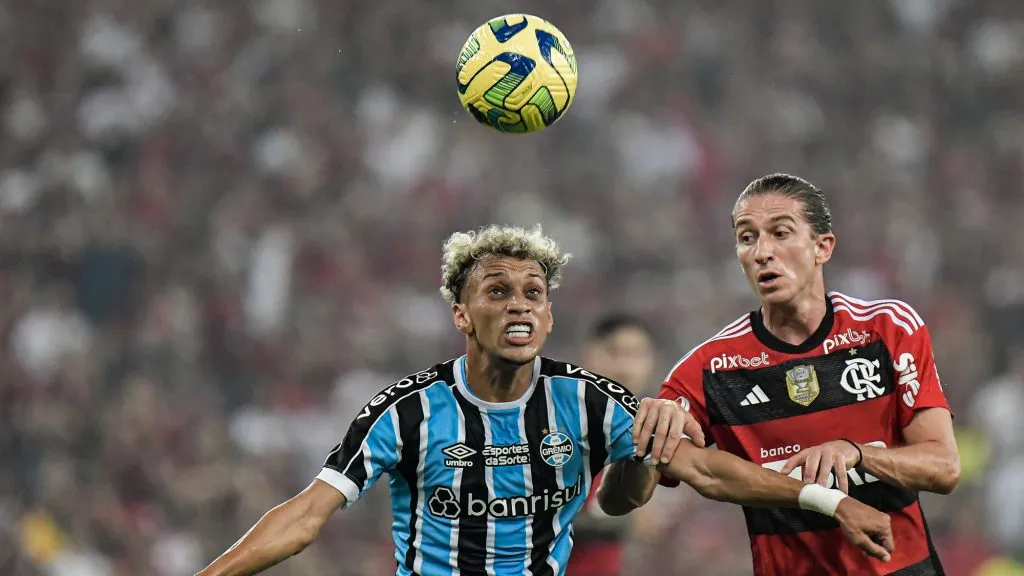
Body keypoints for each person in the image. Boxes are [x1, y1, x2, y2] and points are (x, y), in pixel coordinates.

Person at [194, 224, 894, 576]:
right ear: (462, 315)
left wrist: (832, 502)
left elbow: (711, 472)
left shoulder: (588, 402)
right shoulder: (404, 411)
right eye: (497, 292)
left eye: (533, 292)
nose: (520, 305)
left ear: (551, 318)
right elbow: (305, 518)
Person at [607, 174, 960, 575]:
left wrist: (858, 453)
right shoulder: (706, 371)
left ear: (822, 247)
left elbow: (944, 467)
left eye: (780, 233)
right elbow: (620, 501)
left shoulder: (887, 329)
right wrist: (639, 445)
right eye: (746, 238)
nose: (762, 252)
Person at [566, 314, 657, 576]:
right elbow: (526, 515)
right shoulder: (559, 425)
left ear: (651, 363)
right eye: (614, 352)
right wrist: (624, 522)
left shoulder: (636, 435)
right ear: (589, 357)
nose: (625, 368)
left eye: (636, 355)